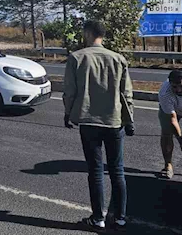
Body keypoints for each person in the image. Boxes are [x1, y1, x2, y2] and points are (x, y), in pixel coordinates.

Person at [63, 20, 135, 231]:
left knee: (95, 171)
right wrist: (129, 120)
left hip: (88, 121)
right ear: (103, 35)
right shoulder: (118, 59)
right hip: (114, 122)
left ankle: (98, 218)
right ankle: (120, 217)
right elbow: (126, 94)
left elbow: (70, 91)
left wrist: (68, 114)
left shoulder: (76, 58)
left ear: (88, 33)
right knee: (117, 171)